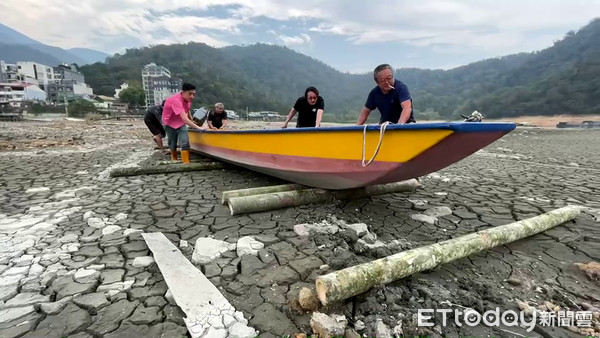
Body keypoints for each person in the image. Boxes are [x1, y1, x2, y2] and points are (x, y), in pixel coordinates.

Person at [162, 83, 202, 163]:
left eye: (194, 94)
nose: (192, 97)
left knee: (185, 141)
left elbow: (187, 110)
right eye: (190, 94)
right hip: (169, 123)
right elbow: (184, 118)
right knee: (172, 142)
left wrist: (191, 120)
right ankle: (174, 158)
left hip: (180, 122)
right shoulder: (175, 100)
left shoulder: (188, 100)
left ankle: (186, 162)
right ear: (183, 92)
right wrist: (198, 128)